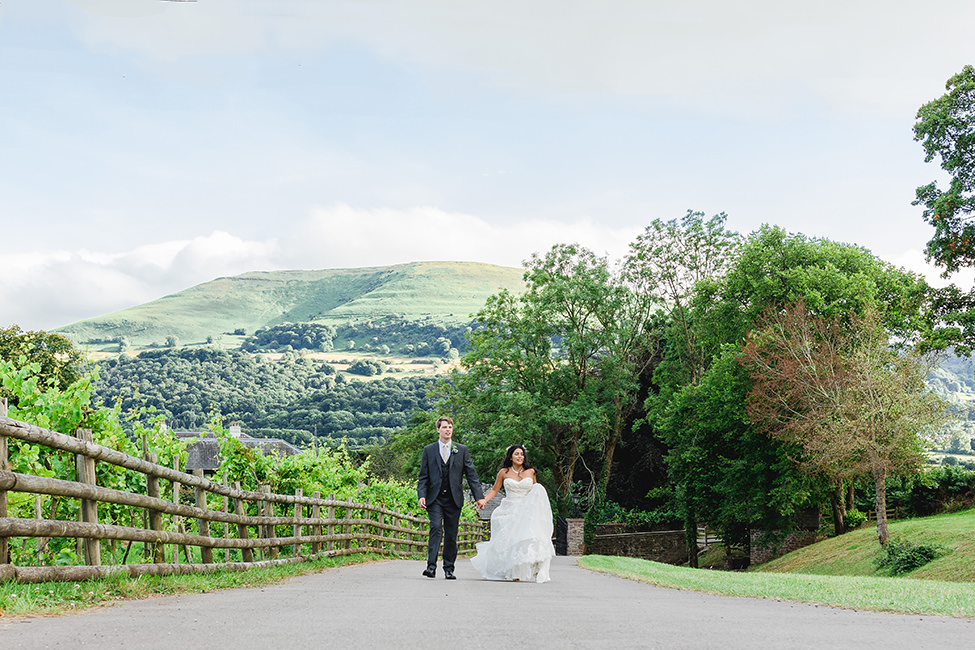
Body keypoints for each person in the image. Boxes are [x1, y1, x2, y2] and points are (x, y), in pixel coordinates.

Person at [470, 444, 555, 583]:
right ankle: (512, 571)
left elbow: (535, 492)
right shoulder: (504, 472)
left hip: (526, 509)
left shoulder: (530, 472)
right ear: (510, 456)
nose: (520, 456)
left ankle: (533, 565)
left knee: (525, 538)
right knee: (510, 539)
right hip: (509, 507)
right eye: (516, 454)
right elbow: (494, 490)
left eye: (521, 454)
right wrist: (484, 500)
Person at [417, 416, 486, 579]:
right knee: (435, 528)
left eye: (450, 427)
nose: (448, 430)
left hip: (454, 499)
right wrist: (421, 495)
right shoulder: (429, 450)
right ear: (438, 430)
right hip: (434, 498)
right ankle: (431, 567)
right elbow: (423, 476)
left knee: (451, 533)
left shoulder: (461, 450)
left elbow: (471, 475)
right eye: (445, 427)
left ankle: (449, 568)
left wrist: (479, 497)